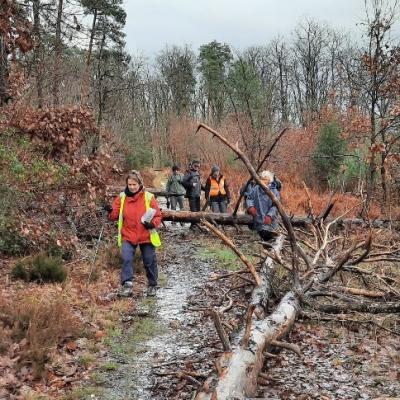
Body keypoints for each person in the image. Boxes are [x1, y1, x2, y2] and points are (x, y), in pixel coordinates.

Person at [105, 170, 162, 297]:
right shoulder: (122, 197)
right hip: (128, 234)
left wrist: (152, 224)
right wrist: (110, 210)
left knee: (149, 260)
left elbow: (157, 215)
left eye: (134, 185)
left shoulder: (148, 197)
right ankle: (127, 285)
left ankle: (152, 285)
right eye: (129, 184)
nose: (131, 187)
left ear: (139, 184)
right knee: (126, 258)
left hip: (145, 235)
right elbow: (114, 215)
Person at [246, 170, 279, 241]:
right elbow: (249, 198)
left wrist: (270, 215)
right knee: (261, 241)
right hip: (258, 221)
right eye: (262, 179)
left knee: (271, 241)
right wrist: (250, 207)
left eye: (265, 179)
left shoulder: (274, 191)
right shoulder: (256, 189)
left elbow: (276, 206)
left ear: (269, 180)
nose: (263, 181)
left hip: (270, 222)